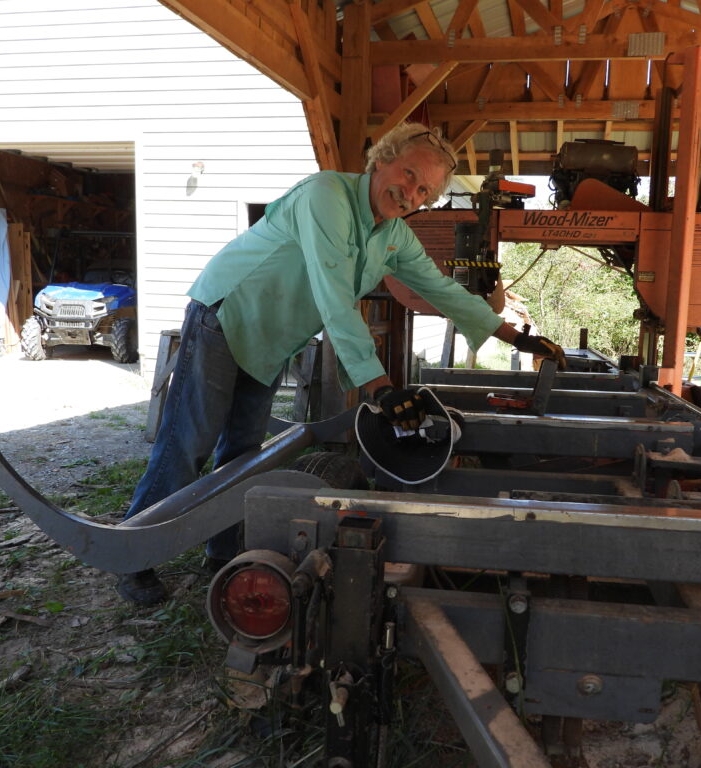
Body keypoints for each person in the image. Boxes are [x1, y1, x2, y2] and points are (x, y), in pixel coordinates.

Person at [117, 122, 565, 605]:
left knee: (245, 450)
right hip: (226, 315)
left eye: (424, 190)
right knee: (189, 440)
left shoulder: (393, 234)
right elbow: (333, 297)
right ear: (381, 159)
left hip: (274, 336)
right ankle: (132, 554)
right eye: (408, 174)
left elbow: (442, 289)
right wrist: (379, 386)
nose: (411, 192)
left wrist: (516, 336)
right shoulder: (326, 194)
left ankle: (222, 548)